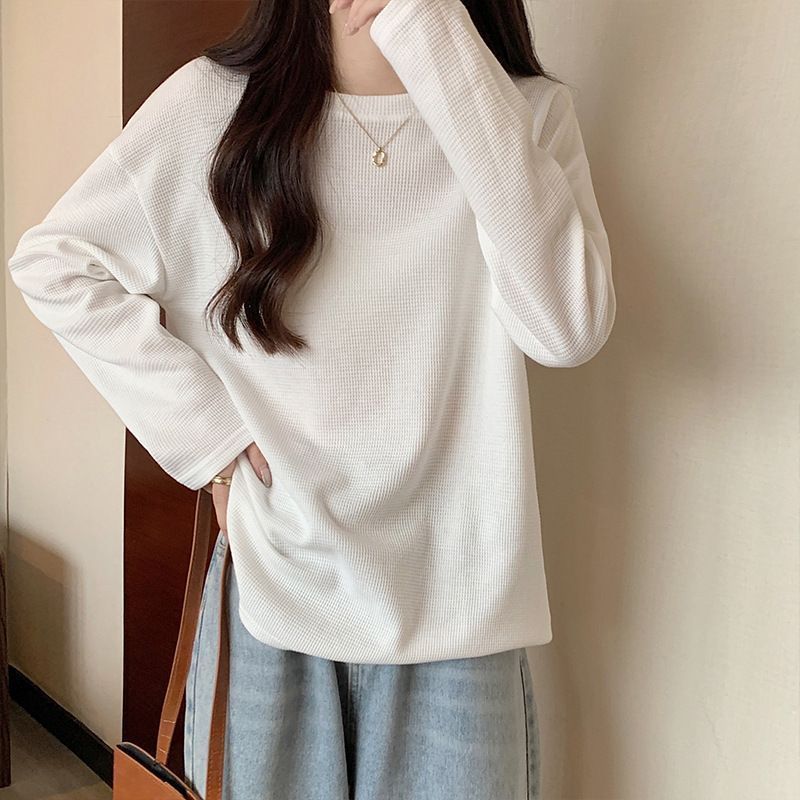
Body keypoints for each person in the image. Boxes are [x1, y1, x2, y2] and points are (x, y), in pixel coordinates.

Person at [7, 0, 616, 797]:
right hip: (276, 586)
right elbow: (58, 265)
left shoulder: (522, 115)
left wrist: (432, 33)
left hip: (463, 604)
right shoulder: (213, 105)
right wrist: (212, 440)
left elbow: (565, 329)